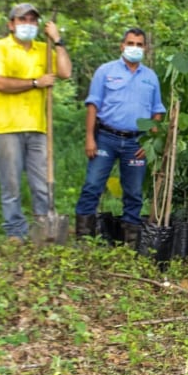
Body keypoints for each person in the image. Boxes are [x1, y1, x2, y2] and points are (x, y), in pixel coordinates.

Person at [0, 3, 72, 243]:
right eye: (23, 20)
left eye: (33, 21)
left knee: (42, 183)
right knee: (10, 183)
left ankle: (43, 229)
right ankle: (15, 231)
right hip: (5, 127)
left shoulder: (43, 50)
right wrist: (35, 82)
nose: (28, 25)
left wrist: (58, 40)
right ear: (11, 24)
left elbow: (65, 72)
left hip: (37, 127)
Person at [73, 28, 166, 246]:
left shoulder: (150, 77)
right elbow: (93, 105)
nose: (135, 48)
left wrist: (151, 143)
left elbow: (157, 111)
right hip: (106, 137)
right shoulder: (105, 71)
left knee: (133, 192)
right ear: (122, 46)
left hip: (136, 142)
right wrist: (90, 137)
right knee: (93, 185)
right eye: (131, 43)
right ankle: (83, 239)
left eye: (139, 44)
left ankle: (129, 244)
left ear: (146, 48)